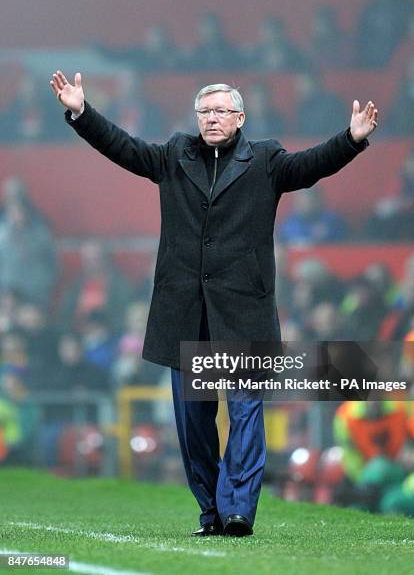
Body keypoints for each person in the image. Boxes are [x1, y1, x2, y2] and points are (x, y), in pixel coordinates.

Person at [50, 69, 378, 537]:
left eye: (221, 110)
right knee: (193, 424)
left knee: (245, 410)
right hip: (185, 313)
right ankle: (211, 512)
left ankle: (239, 509)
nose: (211, 118)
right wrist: (81, 112)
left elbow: (311, 166)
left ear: (240, 117)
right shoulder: (173, 155)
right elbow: (123, 147)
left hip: (243, 312)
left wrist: (351, 139)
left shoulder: (265, 160)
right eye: (205, 111)